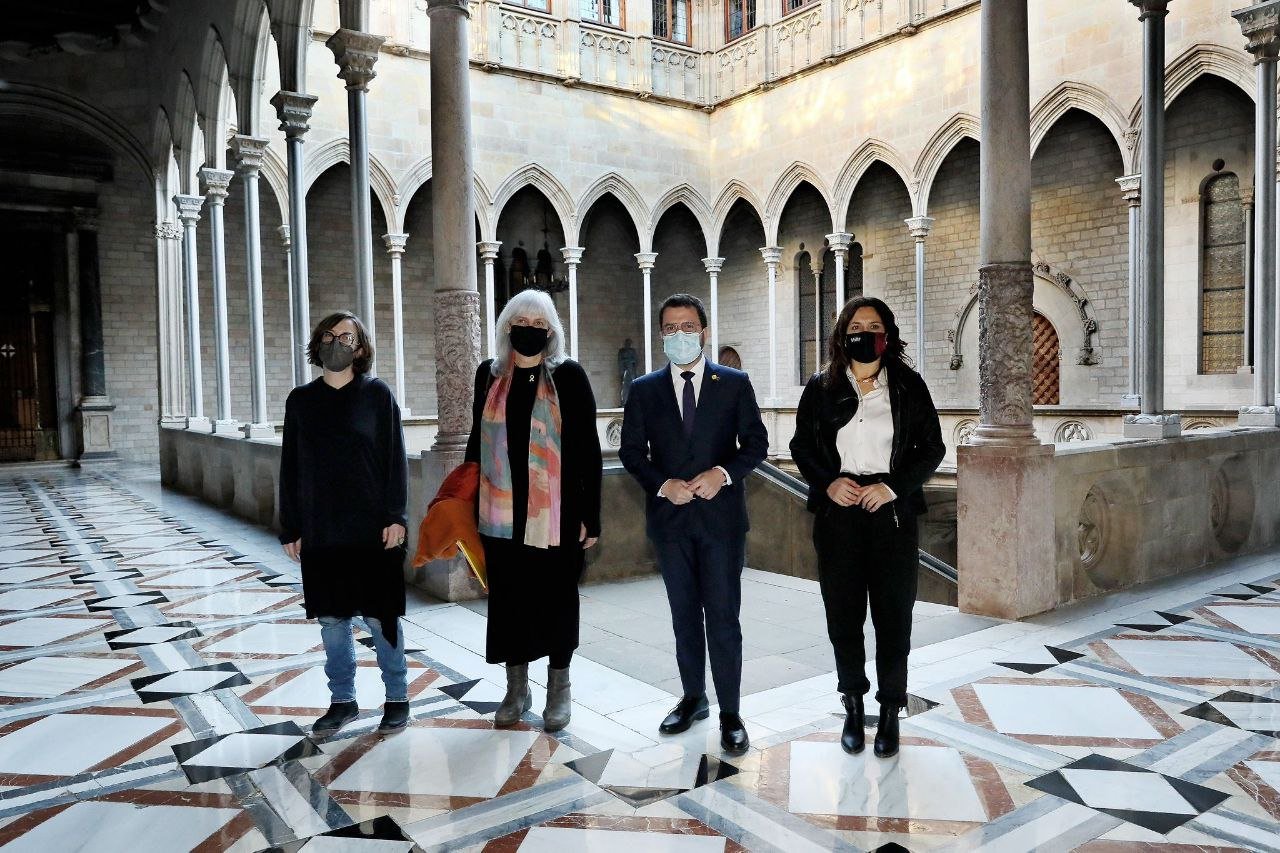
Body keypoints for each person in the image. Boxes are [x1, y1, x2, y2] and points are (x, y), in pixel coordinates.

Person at [789, 296, 944, 757]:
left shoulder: (909, 386)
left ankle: (891, 711)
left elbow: (931, 448)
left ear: (887, 334)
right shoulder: (821, 387)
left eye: (873, 325)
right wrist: (828, 482)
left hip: (891, 514)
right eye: (856, 325)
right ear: (842, 334)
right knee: (844, 616)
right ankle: (853, 706)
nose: (864, 333)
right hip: (839, 514)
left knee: (894, 618)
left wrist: (893, 486)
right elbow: (802, 447)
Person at [619, 293, 768, 755]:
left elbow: (756, 445)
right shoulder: (644, 389)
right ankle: (692, 698)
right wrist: (664, 484)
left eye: (687, 326)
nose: (678, 335)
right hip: (670, 523)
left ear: (703, 331)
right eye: (669, 328)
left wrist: (721, 474)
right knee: (684, 617)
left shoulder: (734, 383)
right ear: (661, 334)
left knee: (723, 619)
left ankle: (730, 712)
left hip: (722, 524)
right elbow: (630, 453)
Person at [465, 289, 602, 732]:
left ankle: (558, 691)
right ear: (507, 326)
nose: (529, 328)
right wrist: (467, 503)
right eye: (521, 320)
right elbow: (474, 443)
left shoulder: (569, 377)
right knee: (509, 602)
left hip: (556, 516)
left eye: (539, 323)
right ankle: (516, 689)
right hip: (500, 516)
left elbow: (588, 451)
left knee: (558, 601)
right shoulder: (489, 376)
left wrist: (591, 515)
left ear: (551, 331)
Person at [278, 311, 411, 737]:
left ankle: (397, 697)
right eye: (330, 336)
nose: (337, 343)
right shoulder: (300, 401)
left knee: (381, 617)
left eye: (347, 337)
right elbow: (290, 467)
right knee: (333, 622)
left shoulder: (377, 395)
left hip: (373, 528)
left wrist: (396, 516)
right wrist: (291, 526)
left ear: (360, 347)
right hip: (322, 529)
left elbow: (395, 460)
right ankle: (343, 701)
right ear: (318, 343)